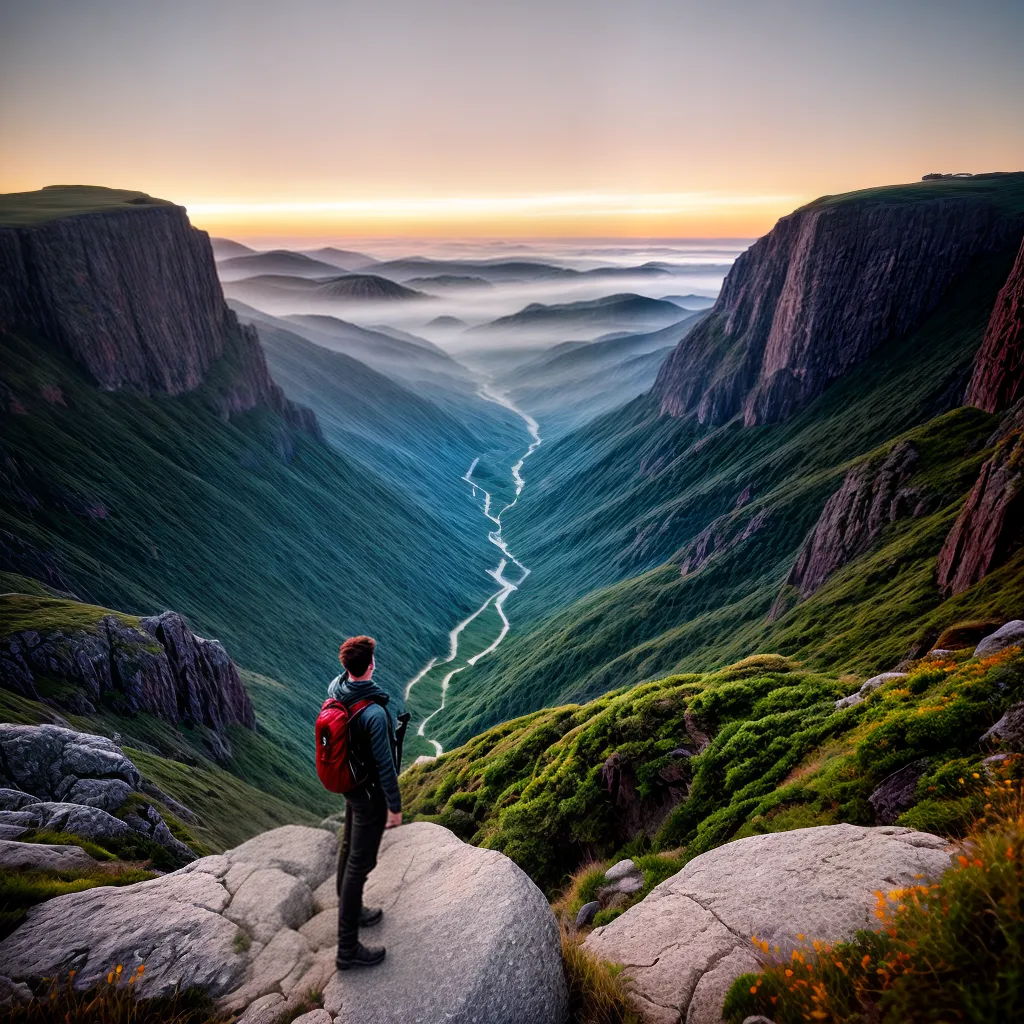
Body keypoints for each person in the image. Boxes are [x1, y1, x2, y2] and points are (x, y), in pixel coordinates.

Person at [330, 635, 404, 969]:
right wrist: (395, 806)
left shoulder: (338, 689)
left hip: (351, 785)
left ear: (347, 667)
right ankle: (347, 949)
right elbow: (385, 766)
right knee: (360, 863)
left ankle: (353, 908)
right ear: (371, 665)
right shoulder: (374, 713)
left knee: (349, 851)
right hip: (369, 794)